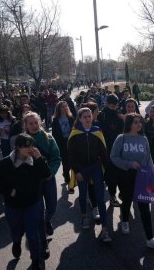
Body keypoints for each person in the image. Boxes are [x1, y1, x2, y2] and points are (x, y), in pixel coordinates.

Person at [0, 133, 51, 269]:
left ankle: (35, 261)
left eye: (32, 145)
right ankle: (17, 242)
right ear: (18, 147)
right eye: (27, 146)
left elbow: (48, 176)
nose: (30, 149)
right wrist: (8, 191)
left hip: (33, 203)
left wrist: (40, 159)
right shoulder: (5, 163)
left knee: (32, 234)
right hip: (13, 205)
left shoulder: (36, 160)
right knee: (16, 230)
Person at [110, 113, 154, 250]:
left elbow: (149, 159)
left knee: (145, 207)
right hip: (125, 176)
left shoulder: (144, 139)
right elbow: (114, 157)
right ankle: (125, 220)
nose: (139, 124)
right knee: (127, 200)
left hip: (142, 176)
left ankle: (150, 238)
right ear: (129, 124)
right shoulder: (121, 138)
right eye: (135, 122)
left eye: (140, 121)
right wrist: (129, 164)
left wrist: (152, 175)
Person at [67, 107, 111, 242]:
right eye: (84, 117)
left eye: (89, 116)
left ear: (92, 117)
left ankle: (105, 229)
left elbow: (103, 153)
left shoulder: (97, 132)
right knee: (82, 193)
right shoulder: (75, 133)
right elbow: (71, 155)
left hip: (95, 167)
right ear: (79, 119)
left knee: (100, 197)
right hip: (81, 168)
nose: (87, 119)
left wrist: (107, 171)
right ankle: (84, 216)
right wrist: (76, 171)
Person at [24, 112, 61, 237]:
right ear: (26, 126)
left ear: (39, 123)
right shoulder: (23, 140)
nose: (34, 126)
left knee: (52, 206)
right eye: (31, 123)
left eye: (36, 123)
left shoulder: (48, 137)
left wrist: (50, 172)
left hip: (48, 177)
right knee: (38, 209)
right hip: (33, 181)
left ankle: (47, 220)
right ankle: (42, 236)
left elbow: (56, 158)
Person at [97, 94, 124, 207]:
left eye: (116, 105)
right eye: (112, 105)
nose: (114, 107)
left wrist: (124, 120)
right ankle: (112, 196)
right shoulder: (101, 116)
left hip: (119, 150)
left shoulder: (119, 116)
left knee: (121, 174)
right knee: (110, 175)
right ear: (107, 104)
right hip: (106, 151)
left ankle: (121, 194)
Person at [52, 101, 74, 187]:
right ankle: (66, 176)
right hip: (62, 143)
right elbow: (54, 134)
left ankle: (72, 176)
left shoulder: (71, 118)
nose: (65, 108)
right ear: (59, 109)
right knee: (65, 161)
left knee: (72, 160)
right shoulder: (55, 120)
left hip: (71, 142)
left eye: (66, 106)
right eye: (62, 107)